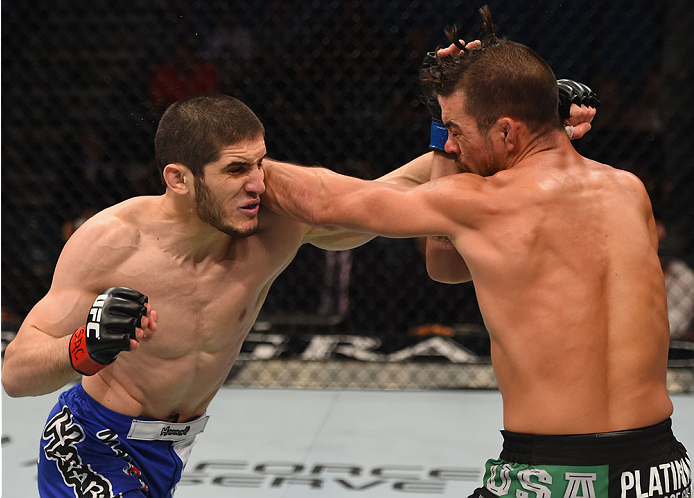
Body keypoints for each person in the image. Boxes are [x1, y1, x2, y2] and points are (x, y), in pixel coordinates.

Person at [1, 62, 598, 498]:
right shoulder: (112, 242)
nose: (258, 183)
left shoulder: (275, 226)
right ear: (179, 180)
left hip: (168, 450)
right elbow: (16, 372)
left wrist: (531, 137)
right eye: (235, 170)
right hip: (93, 442)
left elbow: (391, 197)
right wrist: (84, 349)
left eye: (260, 162)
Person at [260, 8, 691, 498]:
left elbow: (327, 202)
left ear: (507, 132)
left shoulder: (484, 203)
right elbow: (445, 265)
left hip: (554, 475)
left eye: (454, 130)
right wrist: (512, 111)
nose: (452, 145)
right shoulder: (629, 190)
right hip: (662, 472)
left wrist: (230, 159)